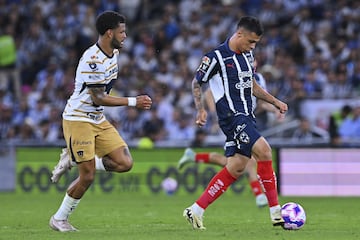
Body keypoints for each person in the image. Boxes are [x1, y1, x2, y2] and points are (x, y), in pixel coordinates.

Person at [48, 11, 152, 232]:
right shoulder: (92, 60)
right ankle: (59, 219)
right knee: (87, 177)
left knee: (125, 163)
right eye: (122, 32)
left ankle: (75, 160)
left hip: (96, 118)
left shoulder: (112, 53)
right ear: (109, 33)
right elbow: (99, 97)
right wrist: (133, 101)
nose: (125, 36)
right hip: (78, 119)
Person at [182, 16, 288, 230]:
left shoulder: (248, 55)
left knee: (237, 166)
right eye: (251, 42)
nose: (253, 46)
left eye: (255, 43)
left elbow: (253, 86)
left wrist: (275, 101)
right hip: (231, 117)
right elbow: (196, 82)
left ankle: (196, 210)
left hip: (247, 116)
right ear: (239, 34)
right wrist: (200, 109)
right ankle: (276, 212)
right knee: (265, 151)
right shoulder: (215, 57)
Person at [178, 71, 280, 208]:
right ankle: (259, 196)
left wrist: (274, 109)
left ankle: (195, 157)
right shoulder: (234, 72)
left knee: (233, 164)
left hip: (248, 121)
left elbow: (260, 103)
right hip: (233, 121)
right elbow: (208, 93)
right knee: (248, 160)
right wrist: (215, 115)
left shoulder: (258, 78)